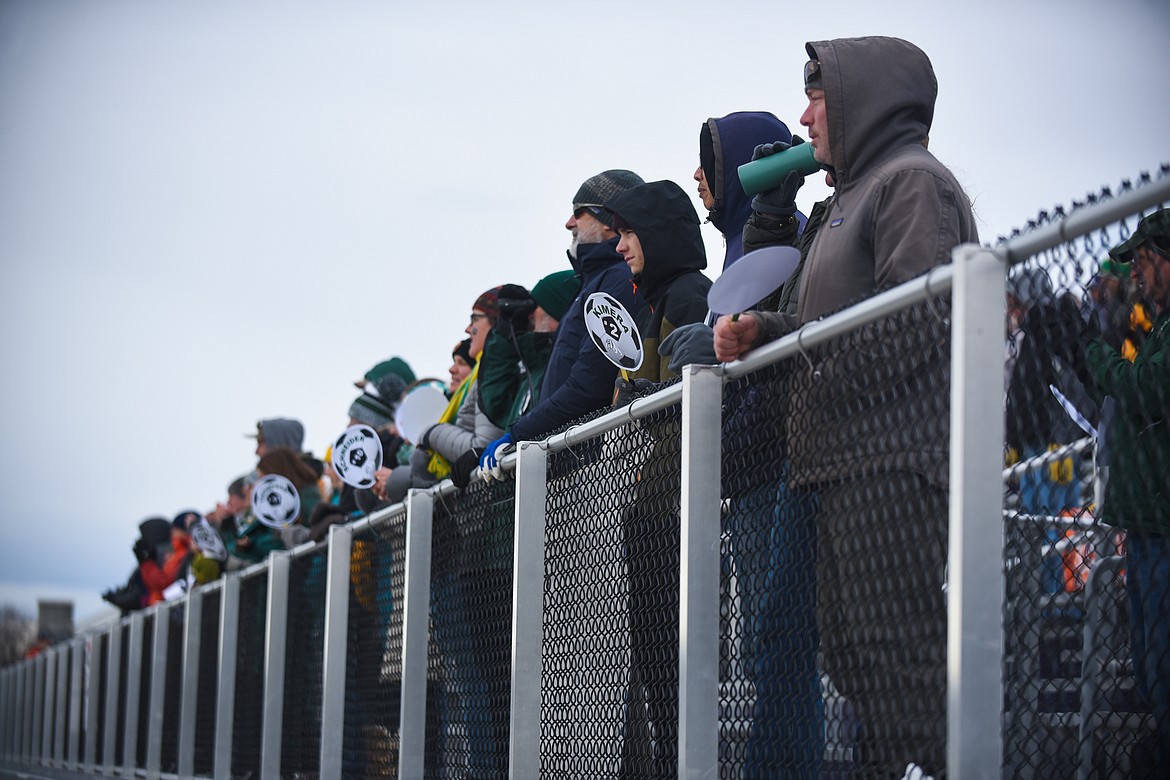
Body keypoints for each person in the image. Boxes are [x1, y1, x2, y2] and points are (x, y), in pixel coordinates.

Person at [713, 37, 979, 777]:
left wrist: (798, 359)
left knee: (897, 648)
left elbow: (916, 320)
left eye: (816, 99)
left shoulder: (914, 183)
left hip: (889, 459)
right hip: (829, 460)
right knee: (851, 651)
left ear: (862, 102)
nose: (803, 117)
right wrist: (763, 331)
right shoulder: (843, 201)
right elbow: (816, 324)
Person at [479, 170, 649, 472]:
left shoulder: (617, 281)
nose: (569, 224)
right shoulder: (595, 282)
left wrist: (519, 434)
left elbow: (588, 385)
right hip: (570, 458)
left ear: (607, 218)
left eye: (578, 212)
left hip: (589, 465)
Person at [1081, 209, 1170, 769]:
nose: (1135, 271)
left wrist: (1096, 354)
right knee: (1147, 660)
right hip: (1143, 523)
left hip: (1162, 528)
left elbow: (1145, 387)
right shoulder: (1152, 325)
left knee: (1162, 663)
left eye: (1144, 260)